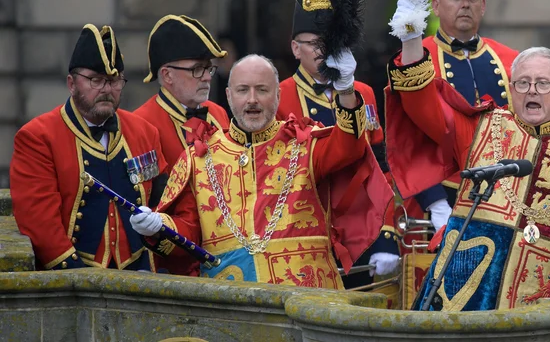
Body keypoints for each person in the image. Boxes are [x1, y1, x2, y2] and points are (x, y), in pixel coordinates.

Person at [385, 40, 550, 310]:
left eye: (543, 83)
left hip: (545, 312)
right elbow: (421, 105)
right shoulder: (480, 128)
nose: (532, 91)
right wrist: (411, 35)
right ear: (510, 89)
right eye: (523, 83)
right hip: (460, 301)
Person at [130, 53, 391, 288]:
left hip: (307, 301)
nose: (252, 100)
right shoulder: (198, 158)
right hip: (234, 308)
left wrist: (345, 91)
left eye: (262, 90)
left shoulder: (305, 144)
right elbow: (188, 236)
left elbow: (350, 147)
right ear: (229, 95)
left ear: (278, 95)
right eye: (243, 90)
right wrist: (160, 227)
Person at [274, 0, 399, 288]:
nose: (321, 51)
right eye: (312, 43)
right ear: (295, 48)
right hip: (305, 232)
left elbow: (380, 166)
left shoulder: (362, 92)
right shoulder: (277, 96)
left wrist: (385, 233)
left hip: (361, 231)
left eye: (327, 43)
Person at [10, 24, 167, 271]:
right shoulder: (37, 137)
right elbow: (39, 222)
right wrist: (80, 280)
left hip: (140, 273)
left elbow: (163, 203)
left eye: (114, 81)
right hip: (75, 278)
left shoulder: (145, 132)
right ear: (71, 83)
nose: (106, 89)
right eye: (95, 80)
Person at [394, 0, 520, 237]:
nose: (465, 4)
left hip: (504, 197)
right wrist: (435, 202)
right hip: (439, 200)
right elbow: (407, 140)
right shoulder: (413, 60)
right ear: (436, 6)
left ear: (483, 5)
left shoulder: (512, 60)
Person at [134, 14, 230, 275]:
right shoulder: (141, 124)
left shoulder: (218, 113)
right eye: (197, 69)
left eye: (209, 68)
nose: (207, 77)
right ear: (167, 76)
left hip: (226, 251)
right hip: (173, 262)